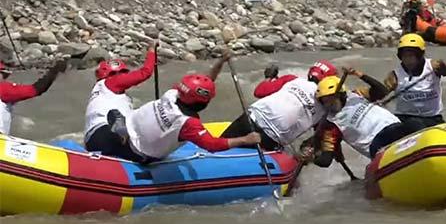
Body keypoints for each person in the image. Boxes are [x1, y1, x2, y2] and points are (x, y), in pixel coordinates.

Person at [107, 52, 261, 163]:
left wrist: (220, 63)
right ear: (203, 103)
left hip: (127, 130)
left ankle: (118, 130)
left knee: (117, 114)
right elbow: (212, 145)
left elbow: (204, 82)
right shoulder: (189, 123)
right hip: (139, 152)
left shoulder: (173, 93)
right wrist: (245, 139)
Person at [220, 60, 341, 151]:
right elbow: (320, 135)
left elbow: (259, 92)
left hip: (250, 119)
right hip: (270, 139)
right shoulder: (327, 107)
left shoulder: (292, 79)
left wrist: (269, 78)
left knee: (218, 148)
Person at [357, 34, 446, 132]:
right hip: (405, 119)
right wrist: (362, 93)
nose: (408, 59)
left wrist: (444, 67)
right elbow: (382, 91)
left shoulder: (433, 67)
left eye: (411, 56)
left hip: (432, 118)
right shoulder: (395, 75)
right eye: (405, 56)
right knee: (414, 124)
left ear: (419, 55)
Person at [307, 75, 410, 165]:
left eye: (332, 98)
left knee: (413, 125)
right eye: (325, 101)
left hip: (396, 127)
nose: (330, 103)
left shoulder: (357, 94)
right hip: (376, 144)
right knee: (397, 132)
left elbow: (382, 91)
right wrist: (312, 158)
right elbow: (326, 160)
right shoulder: (331, 125)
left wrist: (359, 74)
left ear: (341, 95)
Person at [84, 41, 157, 154]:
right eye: (121, 73)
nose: (124, 76)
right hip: (107, 134)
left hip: (92, 139)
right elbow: (145, 73)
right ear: (111, 74)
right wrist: (151, 50)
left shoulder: (100, 90)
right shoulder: (111, 82)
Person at [0, 60, 62, 135]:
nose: (5, 79)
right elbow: (35, 90)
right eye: (3, 74)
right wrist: (55, 71)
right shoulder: (3, 89)